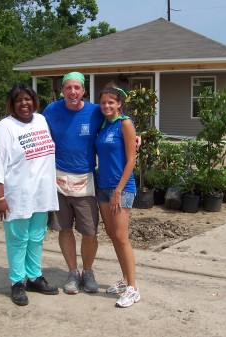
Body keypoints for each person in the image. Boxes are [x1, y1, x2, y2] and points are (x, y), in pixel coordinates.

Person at [0, 83, 59, 306]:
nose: (24, 104)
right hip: (16, 196)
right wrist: (0, 198)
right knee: (18, 240)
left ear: (34, 101)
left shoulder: (41, 120)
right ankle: (17, 282)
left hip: (41, 195)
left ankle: (34, 277)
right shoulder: (4, 128)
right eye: (18, 100)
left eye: (27, 99)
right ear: (12, 104)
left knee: (36, 237)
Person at [43, 72, 104, 295]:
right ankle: (72, 271)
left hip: (85, 180)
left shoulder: (95, 111)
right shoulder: (51, 110)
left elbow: (119, 119)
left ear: (84, 91)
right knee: (64, 228)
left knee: (89, 232)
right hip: (58, 179)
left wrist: (134, 134)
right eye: (68, 87)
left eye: (77, 87)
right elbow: (36, 129)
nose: (72, 92)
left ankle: (88, 271)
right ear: (62, 91)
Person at [95, 83, 140, 308]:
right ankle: (124, 280)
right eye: (103, 102)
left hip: (120, 188)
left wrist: (118, 191)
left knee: (122, 237)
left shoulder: (125, 123)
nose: (106, 105)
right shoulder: (104, 124)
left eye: (111, 102)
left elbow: (132, 159)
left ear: (119, 104)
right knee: (113, 235)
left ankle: (133, 288)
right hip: (102, 188)